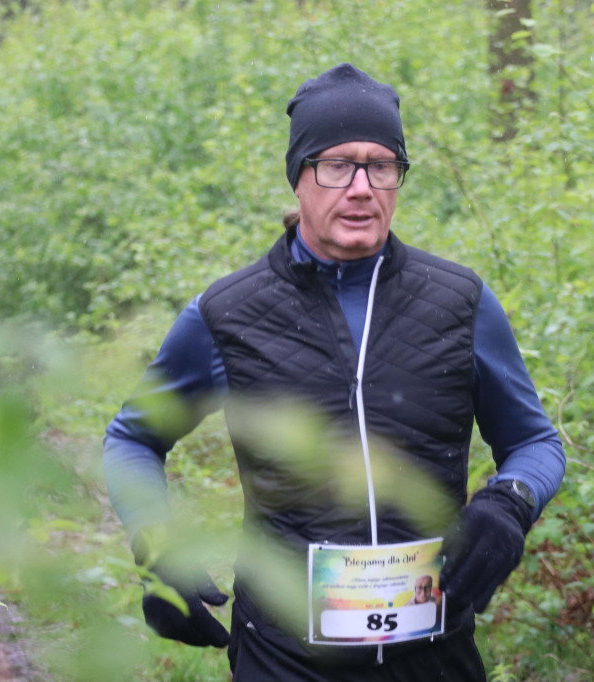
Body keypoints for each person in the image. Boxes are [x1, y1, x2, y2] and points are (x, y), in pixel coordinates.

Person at [103, 63, 566, 681]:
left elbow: (535, 441)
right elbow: (133, 438)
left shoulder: (461, 303)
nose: (361, 187)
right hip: (283, 655)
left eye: (382, 165)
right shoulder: (228, 313)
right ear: (299, 178)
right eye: (335, 165)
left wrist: (512, 503)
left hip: (433, 653)